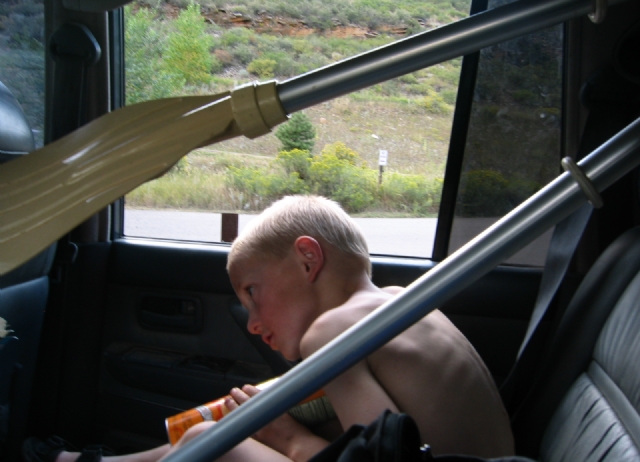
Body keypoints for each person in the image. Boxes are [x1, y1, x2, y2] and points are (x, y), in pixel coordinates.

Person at [24, 195, 514, 462]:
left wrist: (283, 435)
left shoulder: (335, 331)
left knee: (209, 443)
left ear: (307, 259)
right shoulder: (400, 305)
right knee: (250, 422)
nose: (254, 324)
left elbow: (382, 461)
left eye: (252, 292)